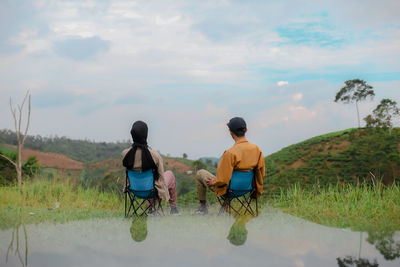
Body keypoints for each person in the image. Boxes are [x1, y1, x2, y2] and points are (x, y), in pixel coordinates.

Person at [194, 117, 265, 215]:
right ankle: (225, 206)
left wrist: (213, 182)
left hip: (230, 190)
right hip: (249, 188)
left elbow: (223, 180)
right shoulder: (257, 150)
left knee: (200, 173)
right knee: (231, 179)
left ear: (231, 132)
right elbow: (261, 173)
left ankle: (203, 208)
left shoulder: (230, 153)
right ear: (246, 130)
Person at [122, 120, 180, 215]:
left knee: (149, 182)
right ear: (146, 134)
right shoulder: (154, 155)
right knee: (169, 174)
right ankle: (173, 209)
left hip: (134, 189)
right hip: (152, 190)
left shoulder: (125, 154)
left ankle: (152, 208)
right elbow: (161, 177)